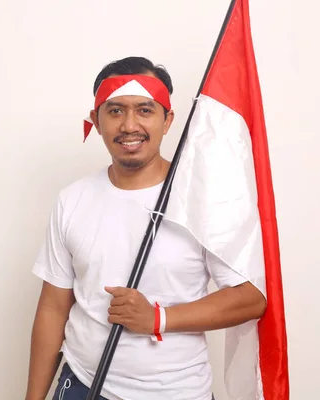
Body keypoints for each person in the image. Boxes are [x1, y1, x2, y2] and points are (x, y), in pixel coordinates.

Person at [24, 56, 267, 400]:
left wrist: (159, 319)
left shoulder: (203, 198)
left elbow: (250, 298)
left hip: (178, 393)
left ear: (167, 121)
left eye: (145, 110)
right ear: (96, 120)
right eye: (115, 111)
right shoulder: (73, 199)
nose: (129, 125)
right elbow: (53, 307)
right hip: (82, 384)